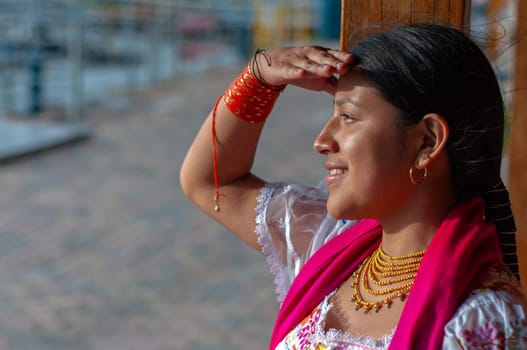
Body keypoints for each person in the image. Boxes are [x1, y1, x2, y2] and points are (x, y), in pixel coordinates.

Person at [180, 23, 527, 349]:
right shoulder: (334, 245)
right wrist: (259, 78)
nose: (322, 141)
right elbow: (211, 182)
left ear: (427, 141)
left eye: (347, 117)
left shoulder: (484, 319)